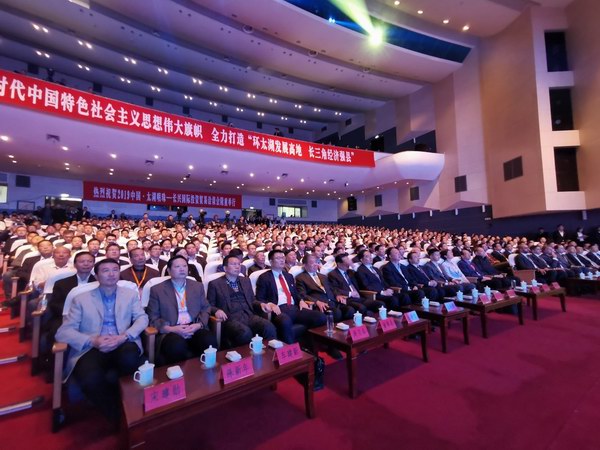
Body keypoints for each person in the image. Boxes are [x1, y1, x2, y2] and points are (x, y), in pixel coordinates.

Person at [56, 258, 148, 423]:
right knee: (90, 378)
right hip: (91, 347)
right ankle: (117, 415)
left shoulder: (130, 295)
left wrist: (124, 336)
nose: (111, 274)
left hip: (122, 341)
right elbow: (64, 332)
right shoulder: (81, 299)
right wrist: (92, 340)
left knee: (130, 357)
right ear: (97, 275)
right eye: (106, 271)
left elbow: (142, 318)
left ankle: (128, 405)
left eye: (115, 270)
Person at [147, 256, 217, 364]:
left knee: (209, 341)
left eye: (184, 266)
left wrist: (199, 325)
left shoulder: (197, 286)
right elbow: (153, 316)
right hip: (172, 329)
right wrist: (171, 329)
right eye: (177, 266)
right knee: (177, 346)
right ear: (169, 270)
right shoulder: (157, 290)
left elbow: (206, 307)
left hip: (194, 326)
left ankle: (207, 372)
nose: (182, 269)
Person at [255, 250, 326, 344]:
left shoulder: (288, 276)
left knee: (320, 317)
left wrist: (301, 300)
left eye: (282, 258)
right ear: (271, 262)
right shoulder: (264, 278)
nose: (282, 260)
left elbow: (295, 293)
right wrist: (270, 304)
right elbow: (260, 298)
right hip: (278, 310)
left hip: (294, 308)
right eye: (278, 258)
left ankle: (312, 346)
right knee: (285, 321)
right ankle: (292, 350)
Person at [207, 255, 276, 347]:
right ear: (225, 268)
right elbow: (209, 305)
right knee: (245, 332)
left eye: (239, 264)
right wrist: (216, 311)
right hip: (230, 318)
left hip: (249, 315)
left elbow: (252, 300)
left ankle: (269, 353)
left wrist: (261, 304)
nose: (237, 267)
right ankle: (248, 356)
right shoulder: (215, 284)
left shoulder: (245, 281)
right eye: (233, 264)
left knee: (268, 326)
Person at [295, 254, 355, 322]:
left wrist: (337, 295)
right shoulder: (300, 278)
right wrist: (316, 302)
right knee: (336, 313)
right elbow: (302, 294)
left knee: (350, 310)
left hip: (334, 302)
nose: (315, 264)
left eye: (316, 262)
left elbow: (332, 288)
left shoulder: (323, 276)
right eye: (312, 263)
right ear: (304, 265)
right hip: (321, 305)